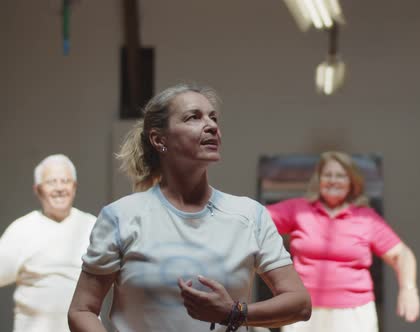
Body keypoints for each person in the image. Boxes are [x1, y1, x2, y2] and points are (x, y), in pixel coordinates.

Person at [68, 83, 311, 332]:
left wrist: (234, 313)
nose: (212, 126)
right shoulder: (121, 217)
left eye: (213, 117)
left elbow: (300, 304)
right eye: (193, 117)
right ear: (159, 139)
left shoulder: (250, 215)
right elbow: (82, 310)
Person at [266, 151, 420, 332]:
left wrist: (408, 289)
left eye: (340, 175)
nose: (333, 180)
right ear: (319, 180)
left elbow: (401, 254)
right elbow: (255, 221)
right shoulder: (299, 209)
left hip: (353, 312)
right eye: (327, 175)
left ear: (352, 182)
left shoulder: (366, 218)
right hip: (303, 309)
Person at [0, 154, 96, 332]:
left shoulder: (93, 227)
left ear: (74, 187)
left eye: (65, 181)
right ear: (37, 189)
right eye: (52, 182)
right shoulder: (21, 229)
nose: (60, 188)